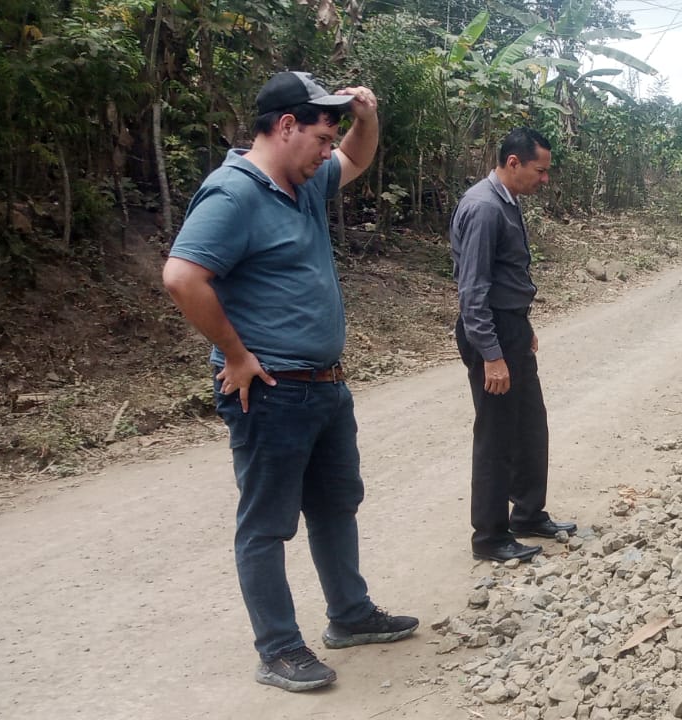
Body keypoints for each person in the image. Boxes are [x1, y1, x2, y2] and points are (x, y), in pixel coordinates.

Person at [162, 70, 418, 693]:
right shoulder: (233, 194)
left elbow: (357, 157)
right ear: (285, 126)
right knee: (267, 523)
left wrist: (366, 117)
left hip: (325, 385)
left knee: (336, 505)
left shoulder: (301, 182)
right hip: (271, 390)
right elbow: (181, 277)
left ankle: (350, 615)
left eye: (331, 140)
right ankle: (277, 649)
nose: (329, 152)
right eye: (322, 138)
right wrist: (235, 355)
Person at [451, 127, 577, 563]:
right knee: (497, 435)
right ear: (512, 163)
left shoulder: (507, 201)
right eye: (539, 171)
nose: (545, 179)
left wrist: (523, 325)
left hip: (512, 327)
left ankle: (527, 513)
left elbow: (506, 277)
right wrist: (492, 354)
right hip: (493, 333)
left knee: (529, 425)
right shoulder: (484, 208)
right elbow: (473, 290)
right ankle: (489, 536)